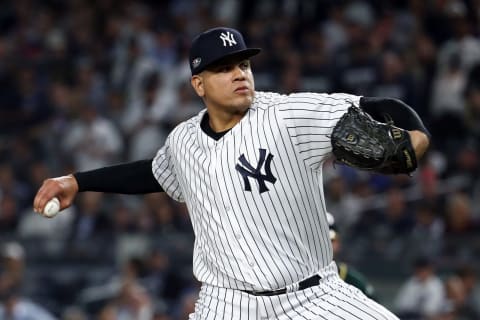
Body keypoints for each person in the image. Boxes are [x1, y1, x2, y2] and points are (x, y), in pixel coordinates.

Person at [33, 27, 430, 319]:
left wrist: (418, 135)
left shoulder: (289, 116)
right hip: (227, 303)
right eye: (224, 68)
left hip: (313, 296)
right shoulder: (183, 141)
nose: (240, 73)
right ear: (198, 84)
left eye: (243, 63)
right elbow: (152, 174)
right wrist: (77, 181)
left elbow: (377, 104)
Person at [327, 212, 376, 300]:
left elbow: (375, 304)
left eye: (331, 240)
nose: (326, 245)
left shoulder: (351, 278)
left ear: (338, 243)